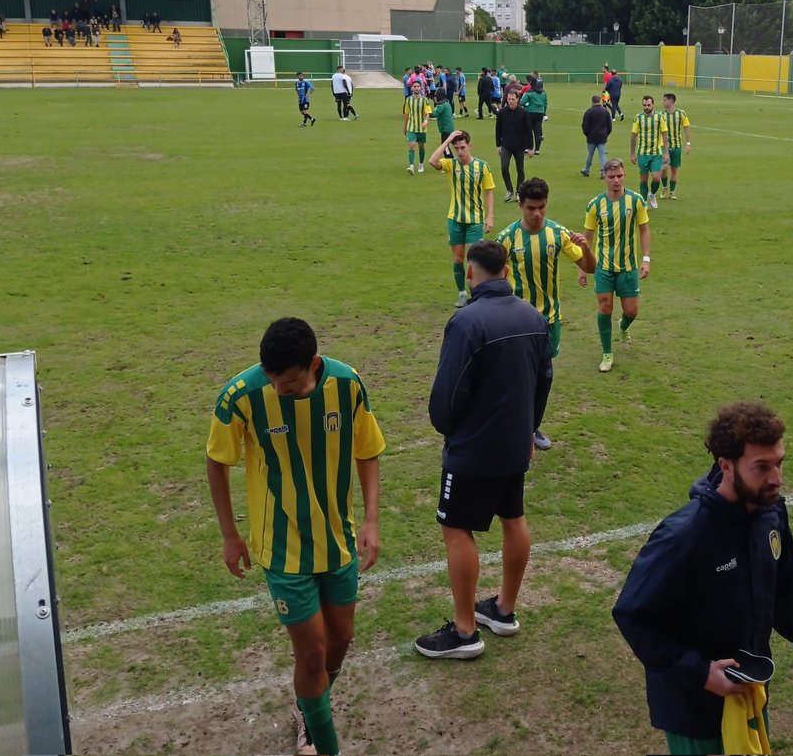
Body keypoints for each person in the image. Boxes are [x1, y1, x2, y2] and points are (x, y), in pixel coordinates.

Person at [205, 317, 385, 756]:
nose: (280, 391)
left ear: (314, 364)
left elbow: (368, 450)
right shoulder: (240, 396)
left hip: (337, 539)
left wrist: (372, 520)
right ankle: (325, 744)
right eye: (274, 382)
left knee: (340, 640)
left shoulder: (347, 383)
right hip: (282, 549)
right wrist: (230, 535)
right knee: (311, 651)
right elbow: (216, 461)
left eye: (289, 383)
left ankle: (309, 706)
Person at [613, 401, 793, 755]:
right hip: (696, 704)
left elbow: (786, 585)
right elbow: (634, 615)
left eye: (779, 463)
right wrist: (699, 672)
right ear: (726, 466)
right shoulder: (684, 536)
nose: (776, 478)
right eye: (762, 467)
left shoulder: (770, 513)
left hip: (750, 689)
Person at [418, 240, 553, 659]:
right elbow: (544, 378)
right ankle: (504, 610)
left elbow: (449, 393)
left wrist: (448, 429)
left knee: (457, 528)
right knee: (513, 517)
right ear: (507, 270)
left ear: (471, 273)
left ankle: (464, 632)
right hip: (515, 443)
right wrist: (529, 430)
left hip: (474, 448)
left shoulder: (466, 322)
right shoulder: (534, 316)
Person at [496, 177, 596, 449]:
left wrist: (586, 247)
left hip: (548, 321)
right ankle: (513, 426)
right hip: (515, 323)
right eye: (531, 208)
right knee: (518, 377)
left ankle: (530, 428)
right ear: (520, 205)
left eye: (541, 207)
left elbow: (590, 268)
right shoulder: (505, 238)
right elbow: (489, 277)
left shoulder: (557, 233)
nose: (537, 214)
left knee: (544, 377)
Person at [579, 159, 649, 373]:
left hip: (628, 267)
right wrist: (582, 266)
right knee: (605, 308)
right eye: (611, 177)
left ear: (624, 175)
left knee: (632, 310)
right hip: (603, 267)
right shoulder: (594, 205)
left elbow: (644, 230)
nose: (616, 180)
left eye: (619, 176)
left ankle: (623, 326)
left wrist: (645, 259)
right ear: (604, 178)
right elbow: (587, 239)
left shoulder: (636, 201)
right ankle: (607, 353)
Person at [429, 129, 495, 307]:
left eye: (462, 147)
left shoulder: (482, 166)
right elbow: (432, 161)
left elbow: (488, 192)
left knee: (474, 260)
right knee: (458, 259)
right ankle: (462, 293)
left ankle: (477, 293)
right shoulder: (451, 165)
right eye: (456, 148)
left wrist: (490, 216)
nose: (459, 151)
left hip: (474, 220)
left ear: (470, 146)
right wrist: (448, 139)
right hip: (455, 219)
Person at [630, 95, 670, 209]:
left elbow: (665, 135)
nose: (646, 107)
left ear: (653, 105)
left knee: (657, 178)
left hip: (656, 154)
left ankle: (652, 194)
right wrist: (632, 153)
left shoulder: (659, 117)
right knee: (643, 179)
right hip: (642, 153)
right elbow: (634, 136)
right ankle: (644, 203)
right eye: (644, 105)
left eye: (648, 105)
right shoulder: (638, 118)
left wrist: (666, 152)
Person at [494, 89, 534, 202]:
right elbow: (498, 129)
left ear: (517, 100)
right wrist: (498, 145)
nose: (510, 101)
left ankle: (519, 192)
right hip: (506, 145)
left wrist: (530, 148)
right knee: (504, 166)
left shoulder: (523, 113)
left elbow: (528, 131)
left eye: (512, 99)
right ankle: (509, 190)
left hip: (519, 146)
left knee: (520, 169)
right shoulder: (502, 113)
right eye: (508, 99)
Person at [659, 93, 691, 199]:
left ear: (671, 101)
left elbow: (686, 128)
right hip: (664, 146)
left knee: (674, 170)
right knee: (663, 168)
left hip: (677, 146)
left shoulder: (681, 114)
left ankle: (672, 192)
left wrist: (688, 144)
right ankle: (664, 187)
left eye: (664, 100)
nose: (663, 102)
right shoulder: (661, 115)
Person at [403, 79, 433, 174]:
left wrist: (425, 121)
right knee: (412, 145)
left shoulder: (424, 100)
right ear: (412, 88)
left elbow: (428, 112)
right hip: (412, 127)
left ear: (421, 88)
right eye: (414, 86)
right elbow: (407, 114)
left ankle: (421, 164)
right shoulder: (408, 100)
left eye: (418, 86)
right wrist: (405, 127)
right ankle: (411, 166)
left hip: (421, 128)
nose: (416, 88)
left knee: (421, 146)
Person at [581, 94, 613, 178]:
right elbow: (609, 126)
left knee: (590, 154)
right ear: (599, 101)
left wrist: (587, 134)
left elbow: (585, 126)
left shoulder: (589, 112)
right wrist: (606, 134)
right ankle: (603, 172)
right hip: (602, 137)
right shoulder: (605, 111)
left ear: (592, 101)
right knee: (602, 155)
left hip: (591, 137)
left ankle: (587, 170)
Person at [519, 78, 547, 155]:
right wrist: (544, 112)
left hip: (530, 113)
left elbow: (522, 102)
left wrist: (526, 105)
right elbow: (545, 104)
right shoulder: (543, 93)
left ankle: (527, 148)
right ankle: (537, 150)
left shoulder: (529, 93)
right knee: (538, 131)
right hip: (540, 113)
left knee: (528, 130)